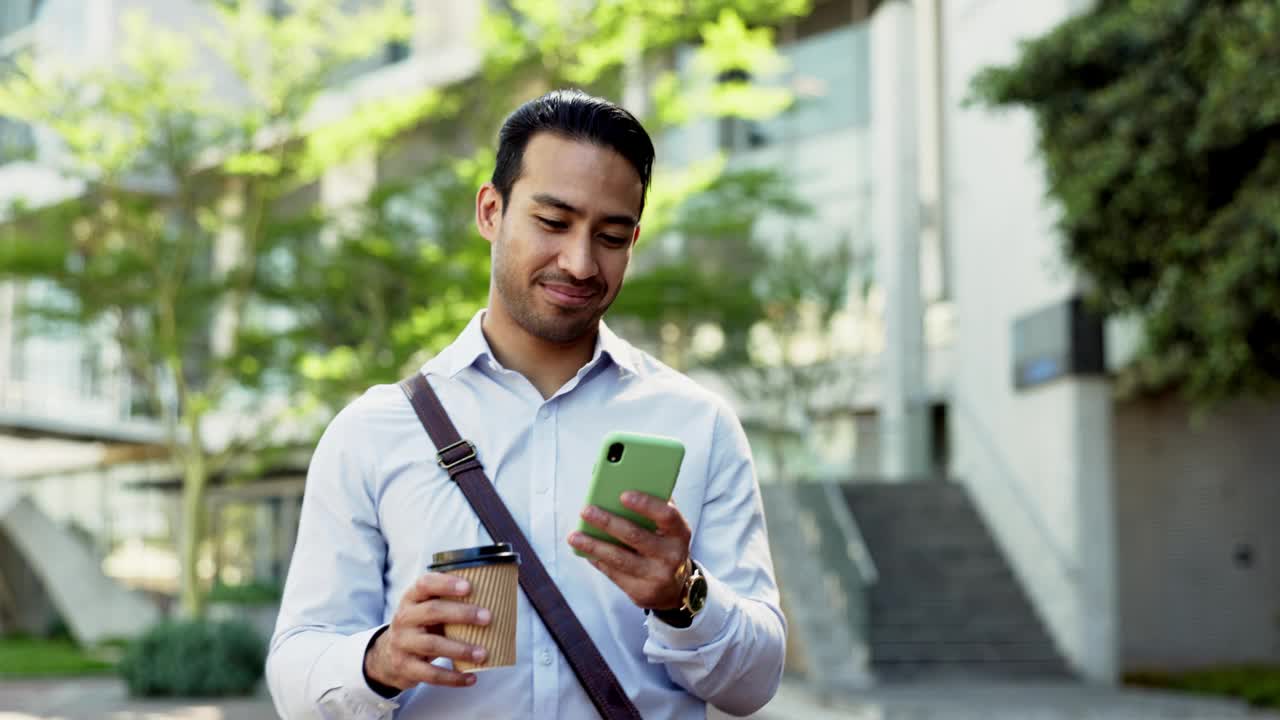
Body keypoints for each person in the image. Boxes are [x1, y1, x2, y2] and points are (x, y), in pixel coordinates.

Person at [267, 89, 786, 719]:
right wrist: (378, 660)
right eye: (553, 222)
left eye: (612, 236)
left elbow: (754, 684)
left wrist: (684, 595)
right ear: (491, 210)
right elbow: (296, 668)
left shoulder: (699, 424)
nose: (580, 261)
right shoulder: (373, 432)